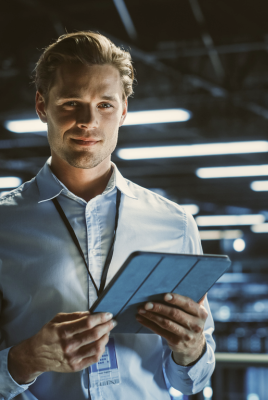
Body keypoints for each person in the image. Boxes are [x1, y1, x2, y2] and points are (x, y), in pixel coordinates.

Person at [0, 31, 215, 400]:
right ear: (41, 105)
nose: (88, 121)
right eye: (71, 103)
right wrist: (27, 358)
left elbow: (191, 382)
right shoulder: (5, 225)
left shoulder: (174, 224)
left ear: (124, 110)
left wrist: (191, 350)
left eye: (105, 105)